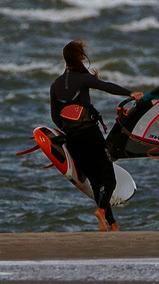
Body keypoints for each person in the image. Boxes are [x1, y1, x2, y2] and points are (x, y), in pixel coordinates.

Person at [50, 39, 143, 231]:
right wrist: (131, 93)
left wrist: (69, 130)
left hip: (73, 139)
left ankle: (113, 225)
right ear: (79, 57)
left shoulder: (55, 85)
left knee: (96, 182)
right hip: (90, 134)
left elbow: (55, 118)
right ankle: (101, 211)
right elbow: (106, 86)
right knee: (108, 178)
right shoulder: (82, 78)